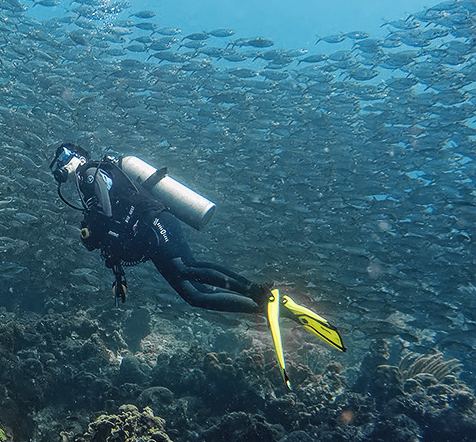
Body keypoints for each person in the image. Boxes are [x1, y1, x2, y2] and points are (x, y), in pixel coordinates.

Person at [50, 143, 345, 387]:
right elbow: (110, 231)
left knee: (186, 268)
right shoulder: (86, 191)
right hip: (146, 237)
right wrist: (117, 273)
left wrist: (94, 228)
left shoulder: (90, 173)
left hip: (155, 223)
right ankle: (271, 308)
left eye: (64, 157)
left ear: (78, 157)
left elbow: (107, 212)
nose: (61, 166)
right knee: (193, 296)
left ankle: (260, 292)